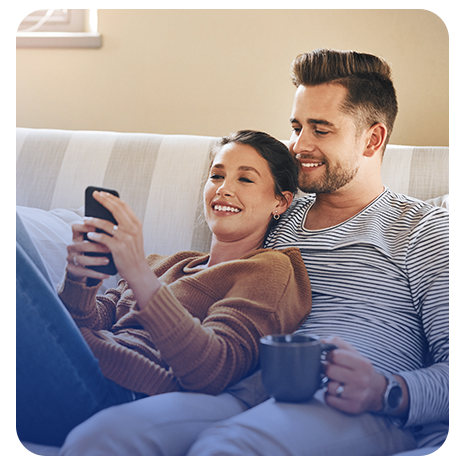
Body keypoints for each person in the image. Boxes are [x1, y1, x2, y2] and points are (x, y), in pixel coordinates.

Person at [59, 49, 448, 456]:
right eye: (297, 127)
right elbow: (208, 273)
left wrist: (386, 391)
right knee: (102, 437)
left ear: (373, 138)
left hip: (346, 403)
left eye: (321, 129)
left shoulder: (423, 229)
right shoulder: (275, 211)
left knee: (229, 447)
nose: (299, 145)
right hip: (241, 386)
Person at [16, 130, 312, 447]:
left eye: (246, 180)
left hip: (109, 394)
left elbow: (214, 369)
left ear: (280, 201)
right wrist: (81, 280)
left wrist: (139, 275)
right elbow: (80, 329)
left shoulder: (271, 269)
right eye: (217, 175)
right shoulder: (163, 263)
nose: (224, 189)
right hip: (71, 366)